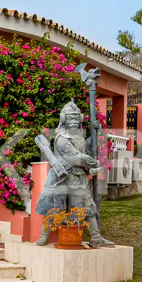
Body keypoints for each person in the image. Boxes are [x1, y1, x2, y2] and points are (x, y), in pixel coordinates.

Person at [35, 100, 115, 248]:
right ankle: (44, 235)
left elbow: (88, 152)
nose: (73, 121)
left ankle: (96, 237)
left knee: (88, 206)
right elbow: (76, 157)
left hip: (77, 177)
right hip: (61, 177)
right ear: (63, 119)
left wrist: (96, 134)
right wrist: (92, 162)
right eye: (69, 118)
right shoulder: (61, 139)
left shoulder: (80, 137)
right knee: (53, 207)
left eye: (75, 118)